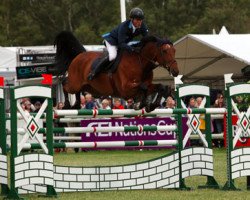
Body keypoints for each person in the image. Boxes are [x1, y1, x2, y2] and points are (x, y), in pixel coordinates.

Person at [87, 7, 148, 80]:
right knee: (113, 56)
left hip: (122, 42)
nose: (139, 22)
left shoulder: (142, 26)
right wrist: (132, 49)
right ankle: (94, 72)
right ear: (132, 19)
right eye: (137, 20)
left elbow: (147, 38)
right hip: (112, 41)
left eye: (141, 20)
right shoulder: (124, 26)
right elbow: (121, 44)